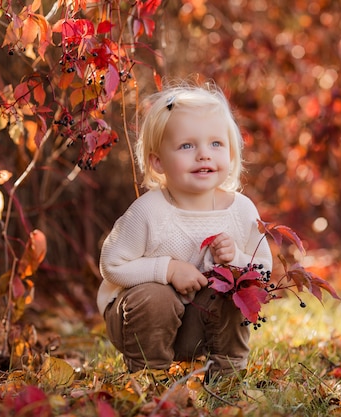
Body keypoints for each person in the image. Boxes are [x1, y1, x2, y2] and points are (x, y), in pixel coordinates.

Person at [98, 82, 273, 381]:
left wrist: (237, 258)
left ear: (231, 153)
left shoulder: (241, 211)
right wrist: (166, 269)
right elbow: (111, 266)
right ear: (157, 161)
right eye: (187, 146)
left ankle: (226, 379)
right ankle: (149, 379)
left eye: (216, 144)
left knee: (235, 291)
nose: (204, 155)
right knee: (156, 297)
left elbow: (264, 272)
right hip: (139, 322)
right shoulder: (149, 211)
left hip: (199, 324)